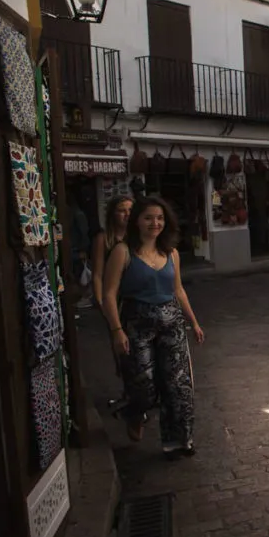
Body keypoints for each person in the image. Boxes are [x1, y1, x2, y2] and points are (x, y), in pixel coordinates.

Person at [102, 196, 205, 458]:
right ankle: (133, 411)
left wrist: (193, 322)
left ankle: (180, 440)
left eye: (159, 218)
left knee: (178, 384)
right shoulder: (122, 252)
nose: (154, 223)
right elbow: (109, 294)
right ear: (136, 220)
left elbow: (178, 290)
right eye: (148, 217)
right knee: (144, 385)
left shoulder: (171, 253)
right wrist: (116, 330)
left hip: (172, 325)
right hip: (137, 325)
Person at [92, 195, 133, 308]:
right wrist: (101, 302)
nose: (127, 214)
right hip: (114, 294)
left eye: (130, 210)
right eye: (122, 210)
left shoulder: (137, 237)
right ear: (113, 214)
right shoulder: (103, 238)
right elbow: (97, 274)